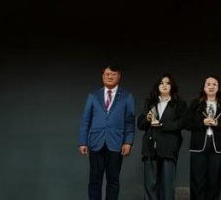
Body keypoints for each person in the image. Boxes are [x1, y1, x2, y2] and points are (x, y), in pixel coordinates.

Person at [78, 64, 135, 200]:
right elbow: (86, 120)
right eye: (107, 74)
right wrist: (82, 142)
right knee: (94, 180)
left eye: (113, 74)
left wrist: (128, 142)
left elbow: (130, 121)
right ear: (102, 76)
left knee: (113, 180)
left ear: (119, 76)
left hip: (116, 143)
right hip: (96, 142)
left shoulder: (126, 96)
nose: (109, 76)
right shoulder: (93, 95)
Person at [137, 74, 187, 200]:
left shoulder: (179, 104)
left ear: (172, 86)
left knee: (167, 186)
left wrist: (162, 125)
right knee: (150, 186)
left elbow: (182, 123)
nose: (164, 85)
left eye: (167, 83)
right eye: (161, 83)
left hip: (169, 148)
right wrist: (148, 119)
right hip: (150, 148)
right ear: (157, 86)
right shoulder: (150, 103)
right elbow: (140, 124)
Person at [187, 76, 221, 200]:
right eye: (208, 84)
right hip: (198, 146)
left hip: (217, 147)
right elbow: (187, 123)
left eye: (214, 84)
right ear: (204, 87)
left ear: (218, 87)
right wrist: (202, 122)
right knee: (197, 180)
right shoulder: (195, 103)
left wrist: (217, 123)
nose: (211, 86)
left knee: (214, 180)